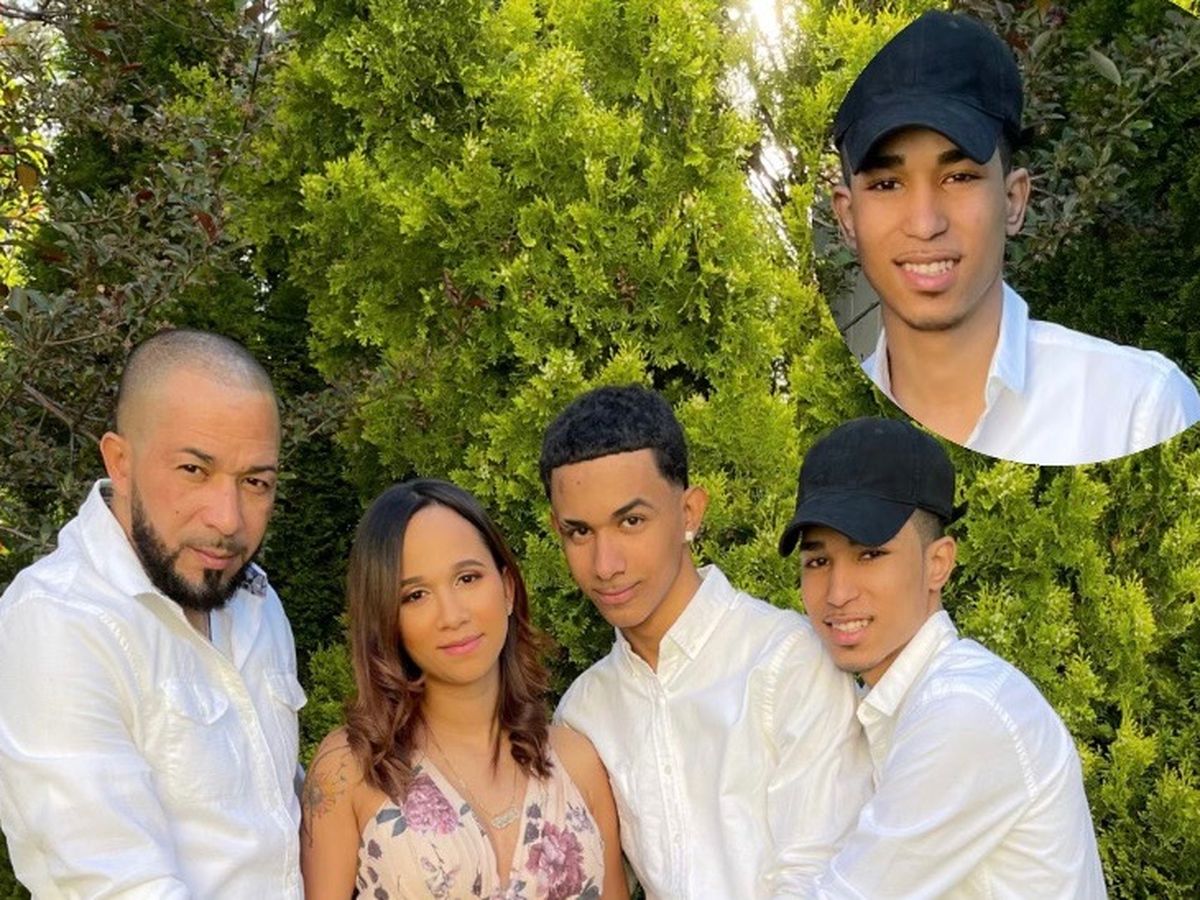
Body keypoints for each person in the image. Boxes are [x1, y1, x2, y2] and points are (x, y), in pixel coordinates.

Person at [0, 329, 306, 897]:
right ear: (121, 462)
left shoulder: (256, 602)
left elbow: (274, 821)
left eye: (255, 482)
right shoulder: (57, 623)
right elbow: (117, 885)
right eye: (194, 470)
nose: (228, 519)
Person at [540, 385, 871, 899]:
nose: (605, 564)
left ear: (690, 512)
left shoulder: (788, 661)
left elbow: (823, 876)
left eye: (631, 521)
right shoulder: (584, 713)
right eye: (579, 532)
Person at [830, 10, 1200, 465]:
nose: (925, 224)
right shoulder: (824, 419)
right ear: (847, 217)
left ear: (1013, 200)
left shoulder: (1138, 412)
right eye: (887, 184)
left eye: (959, 177)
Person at [778, 416, 1107, 898]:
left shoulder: (964, 710)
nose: (838, 593)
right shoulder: (892, 706)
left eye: (870, 554)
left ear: (938, 564)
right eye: (818, 561)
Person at [300, 479, 625, 900]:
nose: (452, 615)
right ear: (386, 619)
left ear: (508, 589)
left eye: (468, 578)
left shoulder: (577, 762)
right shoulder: (350, 769)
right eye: (415, 595)